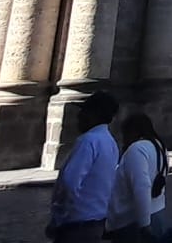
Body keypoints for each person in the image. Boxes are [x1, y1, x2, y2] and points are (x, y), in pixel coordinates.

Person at [48, 92, 119, 242]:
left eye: (84, 111)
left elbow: (69, 182)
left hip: (76, 224)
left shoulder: (88, 141)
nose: (79, 116)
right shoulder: (110, 142)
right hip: (97, 221)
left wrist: (59, 217)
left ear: (95, 114)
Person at [106, 113, 169, 241]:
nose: (124, 139)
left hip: (134, 221)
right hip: (156, 211)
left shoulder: (136, 150)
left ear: (133, 131)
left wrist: (144, 224)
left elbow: (142, 187)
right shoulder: (159, 147)